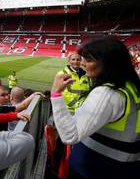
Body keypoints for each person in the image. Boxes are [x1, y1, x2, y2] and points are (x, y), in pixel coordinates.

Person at [50, 37, 140, 179]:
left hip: (93, 168)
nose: (83, 63)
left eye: (89, 60)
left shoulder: (107, 93)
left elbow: (69, 136)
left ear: (108, 64)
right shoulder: (130, 85)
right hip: (124, 167)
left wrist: (55, 94)